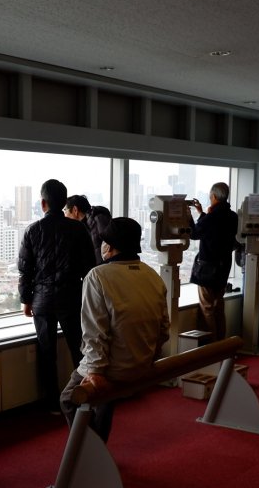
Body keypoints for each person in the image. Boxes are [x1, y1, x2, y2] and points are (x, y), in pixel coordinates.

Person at [59, 217, 169, 442]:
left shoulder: (97, 276)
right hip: (143, 364)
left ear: (108, 247)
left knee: (68, 398)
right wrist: (149, 359)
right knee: (106, 399)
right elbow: (164, 329)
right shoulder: (152, 276)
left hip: (114, 369)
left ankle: (88, 452)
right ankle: (98, 446)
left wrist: (95, 372)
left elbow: (94, 333)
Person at [18, 179, 97, 413]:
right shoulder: (78, 229)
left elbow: (25, 269)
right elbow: (89, 267)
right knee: (79, 349)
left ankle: (52, 404)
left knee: (46, 352)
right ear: (64, 203)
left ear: (43, 203)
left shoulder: (32, 230)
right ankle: (83, 397)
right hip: (71, 297)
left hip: (42, 300)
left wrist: (26, 300)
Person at [188, 182, 239, 341]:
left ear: (214, 197)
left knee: (208, 308)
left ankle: (212, 345)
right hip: (224, 268)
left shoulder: (212, 217)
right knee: (218, 307)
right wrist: (202, 214)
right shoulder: (233, 217)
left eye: (211, 197)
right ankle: (221, 343)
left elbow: (195, 234)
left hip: (208, 268)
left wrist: (190, 217)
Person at [64, 194, 113, 264]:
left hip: (103, 270)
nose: (64, 215)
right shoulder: (84, 225)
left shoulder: (99, 220)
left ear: (75, 210)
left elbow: (109, 247)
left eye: (65, 210)